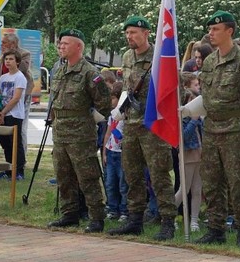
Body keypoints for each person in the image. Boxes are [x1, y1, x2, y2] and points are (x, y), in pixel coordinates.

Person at [182, 10, 240, 248]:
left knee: (238, 182)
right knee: (212, 181)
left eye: (215, 29)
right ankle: (216, 228)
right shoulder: (210, 62)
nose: (210, 33)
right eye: (210, 29)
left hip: (236, 131)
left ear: (229, 31)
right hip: (211, 129)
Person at [107, 16, 177, 241]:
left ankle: (168, 222)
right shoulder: (127, 57)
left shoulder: (159, 57)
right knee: (132, 175)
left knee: (159, 175)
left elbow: (173, 90)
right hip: (131, 124)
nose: (129, 37)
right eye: (127, 33)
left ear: (146, 33)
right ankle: (134, 219)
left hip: (153, 125)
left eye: (134, 33)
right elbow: (127, 87)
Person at [47, 29, 111, 234]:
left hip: (81, 135)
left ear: (78, 47)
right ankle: (69, 214)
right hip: (60, 132)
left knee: (87, 176)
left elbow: (104, 104)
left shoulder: (90, 73)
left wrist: (88, 119)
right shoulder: (59, 70)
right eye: (60, 43)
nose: (61, 47)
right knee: (63, 175)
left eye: (65, 43)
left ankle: (96, 217)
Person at [0, 33, 33, 157]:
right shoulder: (2, 56)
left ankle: (21, 159)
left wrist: (14, 55)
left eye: (4, 42)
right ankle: (10, 160)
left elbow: (23, 69)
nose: (1, 45)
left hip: (20, 94)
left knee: (19, 130)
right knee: (4, 130)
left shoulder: (24, 54)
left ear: (13, 44)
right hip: (4, 94)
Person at [0, 50, 27, 180]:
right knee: (5, 143)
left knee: (15, 143)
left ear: (17, 61)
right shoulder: (3, 77)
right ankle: (8, 170)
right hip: (1, 114)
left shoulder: (20, 77)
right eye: (6, 59)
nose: (8, 61)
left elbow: (16, 98)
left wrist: (4, 111)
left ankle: (19, 171)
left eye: (11, 59)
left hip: (14, 114)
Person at [175, 88, 203, 232]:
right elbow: (183, 137)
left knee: (197, 190)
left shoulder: (200, 118)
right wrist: (193, 121)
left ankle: (194, 221)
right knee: (184, 189)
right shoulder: (183, 118)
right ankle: (170, 216)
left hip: (200, 154)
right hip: (187, 156)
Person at [103, 81, 129, 221]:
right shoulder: (112, 115)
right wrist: (104, 152)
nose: (110, 101)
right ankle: (112, 209)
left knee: (123, 184)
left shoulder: (125, 117)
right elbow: (108, 133)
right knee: (110, 183)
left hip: (121, 154)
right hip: (111, 152)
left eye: (113, 98)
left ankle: (124, 210)